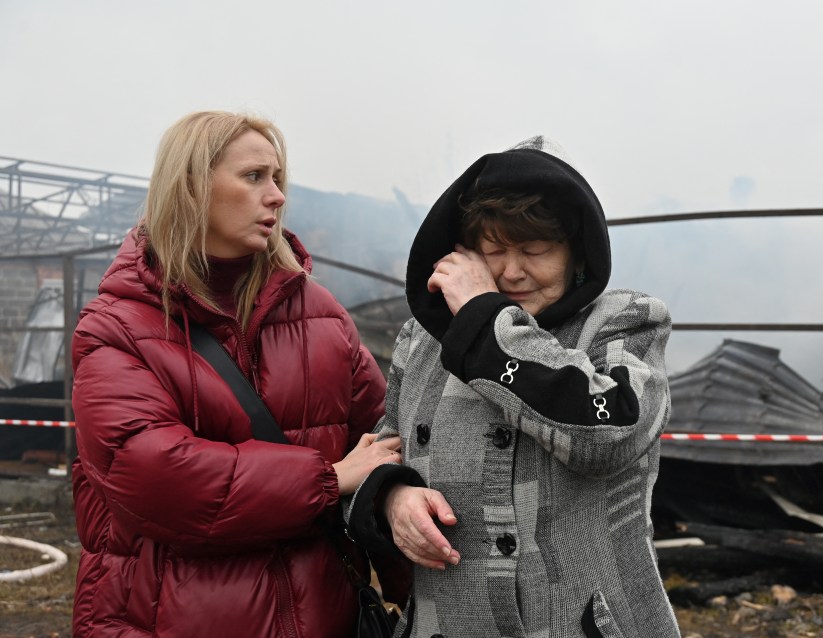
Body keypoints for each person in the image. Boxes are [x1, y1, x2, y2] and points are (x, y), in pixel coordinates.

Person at [70, 111, 403, 638]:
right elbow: (157, 479)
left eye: (277, 180)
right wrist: (329, 480)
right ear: (191, 186)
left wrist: (416, 600)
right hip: (165, 622)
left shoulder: (322, 316)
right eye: (253, 177)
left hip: (326, 618)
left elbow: (388, 449)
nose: (275, 196)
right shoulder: (116, 328)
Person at [347, 137, 681, 637]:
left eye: (534, 249)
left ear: (576, 253)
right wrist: (392, 498)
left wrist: (485, 320)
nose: (512, 271)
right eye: (494, 251)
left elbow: (610, 434)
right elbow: (381, 450)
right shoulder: (422, 340)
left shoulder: (624, 324)